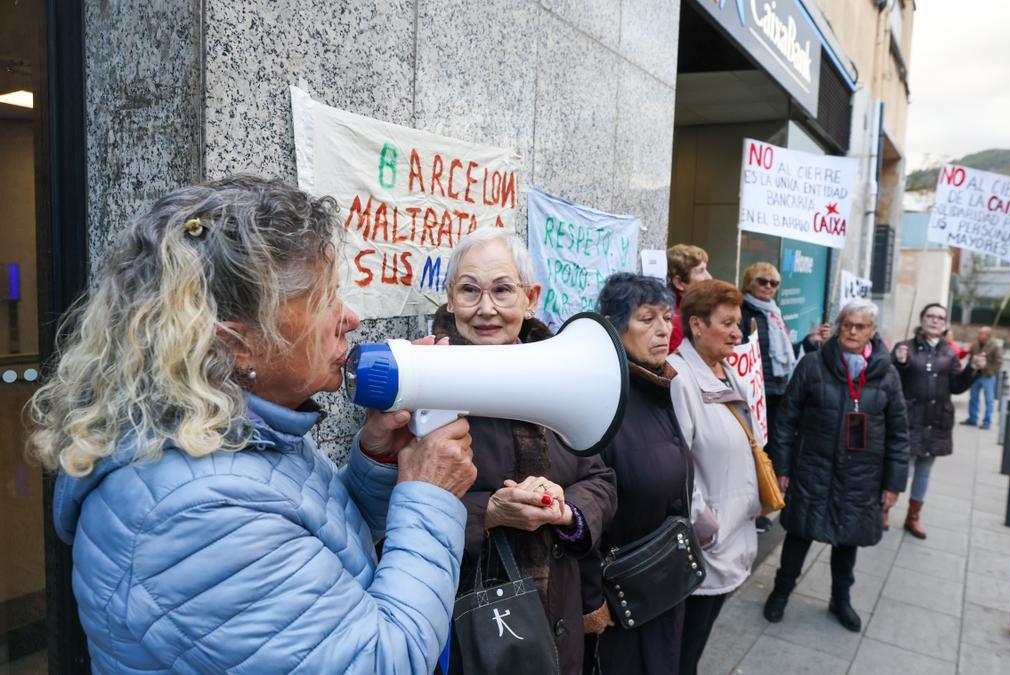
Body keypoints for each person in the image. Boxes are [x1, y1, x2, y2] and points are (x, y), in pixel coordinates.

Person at [30, 176, 477, 672]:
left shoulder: (228, 431)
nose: (348, 317)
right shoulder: (194, 514)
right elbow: (380, 662)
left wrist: (377, 460)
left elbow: (316, 544)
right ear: (237, 344)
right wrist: (430, 498)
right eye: (324, 300)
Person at [434, 227, 617, 675]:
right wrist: (489, 513)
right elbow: (396, 507)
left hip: (559, 611)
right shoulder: (425, 378)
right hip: (469, 615)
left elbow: (601, 479)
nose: (486, 308)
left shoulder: (564, 370)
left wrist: (565, 511)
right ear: (450, 298)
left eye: (502, 290)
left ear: (530, 297)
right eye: (470, 290)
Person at [762, 299, 910, 631]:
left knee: (848, 543)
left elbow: (899, 435)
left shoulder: (887, 376)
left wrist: (893, 484)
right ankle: (780, 592)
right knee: (799, 536)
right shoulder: (813, 366)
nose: (852, 331)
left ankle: (840, 600)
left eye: (860, 326)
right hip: (812, 471)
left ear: (872, 332)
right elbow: (786, 421)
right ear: (839, 326)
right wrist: (781, 468)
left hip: (862, 477)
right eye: (847, 324)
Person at [581, 273, 693, 675]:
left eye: (666, 317)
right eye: (647, 319)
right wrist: (591, 599)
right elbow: (583, 511)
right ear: (613, 326)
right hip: (619, 601)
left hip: (662, 584)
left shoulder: (658, 385)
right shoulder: (602, 401)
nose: (664, 329)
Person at [667, 279, 762, 675]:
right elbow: (677, 464)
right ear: (697, 325)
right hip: (708, 540)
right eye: (727, 323)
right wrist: (704, 524)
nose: (738, 332)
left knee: (700, 637)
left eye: (738, 322)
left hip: (733, 530)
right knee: (685, 647)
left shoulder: (724, 370)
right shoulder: (679, 376)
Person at [891, 303, 986, 538]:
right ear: (921, 319)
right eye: (930, 316)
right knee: (902, 466)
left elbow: (956, 386)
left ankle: (913, 517)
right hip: (909, 417)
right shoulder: (906, 347)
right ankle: (885, 507)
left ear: (945, 324)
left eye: (940, 318)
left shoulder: (949, 352)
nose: (935, 320)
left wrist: (972, 370)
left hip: (935, 420)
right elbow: (892, 381)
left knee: (924, 469)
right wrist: (899, 363)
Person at [738, 262, 797, 534]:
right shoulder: (742, 310)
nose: (769, 288)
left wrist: (808, 343)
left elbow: (780, 353)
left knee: (769, 451)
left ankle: (764, 505)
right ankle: (751, 509)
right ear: (750, 282)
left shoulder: (774, 313)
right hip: (751, 392)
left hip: (776, 391)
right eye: (763, 282)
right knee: (753, 452)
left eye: (774, 284)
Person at [666, 244, 713, 353]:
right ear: (679, 283)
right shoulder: (675, 323)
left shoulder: (692, 311)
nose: (709, 277)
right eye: (701, 271)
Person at [964, 325, 1004, 429]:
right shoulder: (976, 344)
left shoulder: (994, 346)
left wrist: (990, 371)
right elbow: (970, 357)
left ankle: (987, 422)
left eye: (981, 333)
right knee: (973, 398)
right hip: (976, 375)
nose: (978, 335)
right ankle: (973, 419)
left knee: (989, 400)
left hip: (987, 376)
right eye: (978, 333)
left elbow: (999, 362)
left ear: (987, 335)